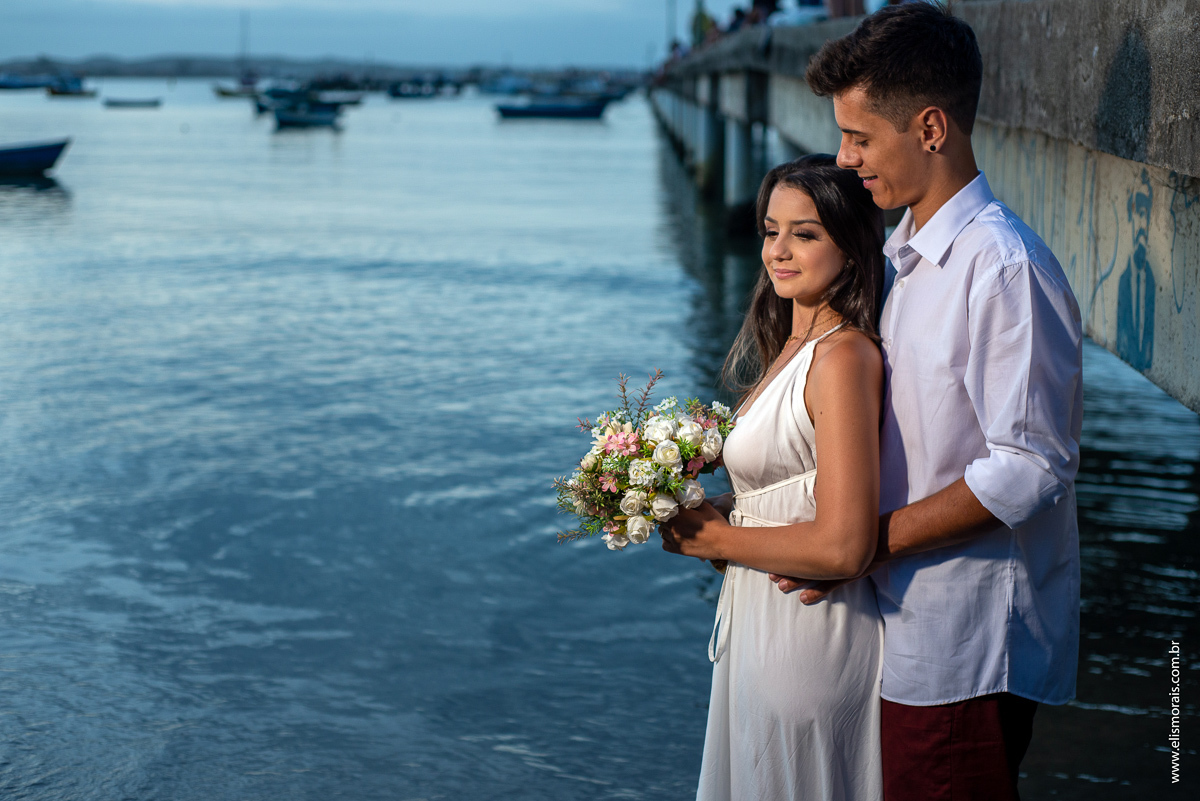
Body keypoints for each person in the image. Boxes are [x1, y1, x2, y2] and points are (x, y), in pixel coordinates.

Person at [759, 4, 1083, 800]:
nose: (845, 158)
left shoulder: (1001, 267)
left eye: (861, 138)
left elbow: (1031, 465)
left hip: (964, 644)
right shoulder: (909, 257)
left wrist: (865, 542)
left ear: (931, 127)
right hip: (905, 627)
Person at [660, 154, 887, 800]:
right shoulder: (788, 345)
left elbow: (844, 545)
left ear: (850, 244)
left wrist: (718, 540)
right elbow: (792, 488)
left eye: (805, 233)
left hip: (808, 637)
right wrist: (709, 507)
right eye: (769, 230)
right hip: (759, 624)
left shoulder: (843, 357)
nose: (778, 251)